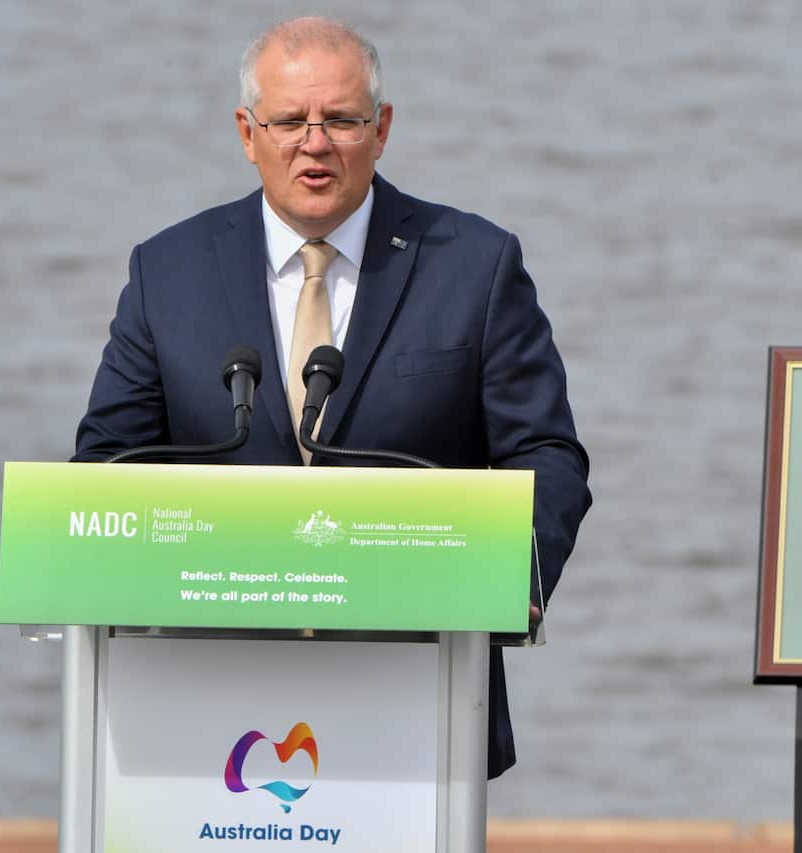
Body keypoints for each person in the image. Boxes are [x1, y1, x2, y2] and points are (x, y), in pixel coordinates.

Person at [71, 16, 592, 779]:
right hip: (206, 707)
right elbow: (109, 465)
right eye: (289, 121)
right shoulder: (166, 272)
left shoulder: (475, 266)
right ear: (248, 134)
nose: (314, 143)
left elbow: (544, 452)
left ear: (381, 129)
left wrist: (513, 579)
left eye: (341, 120)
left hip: (420, 693)